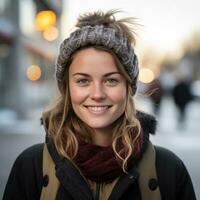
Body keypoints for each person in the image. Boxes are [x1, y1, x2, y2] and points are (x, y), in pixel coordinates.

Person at [3, 10, 196, 200]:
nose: (97, 94)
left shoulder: (168, 171)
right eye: (83, 81)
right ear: (67, 88)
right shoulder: (31, 167)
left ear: (129, 87)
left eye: (111, 80)